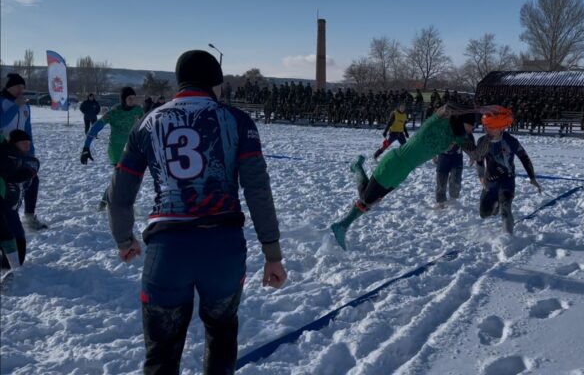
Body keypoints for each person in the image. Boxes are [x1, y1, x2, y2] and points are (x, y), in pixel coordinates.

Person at [107, 50, 287, 373]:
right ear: (214, 84)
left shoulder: (146, 123)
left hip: (167, 251)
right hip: (223, 250)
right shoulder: (237, 120)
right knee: (221, 342)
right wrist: (272, 252)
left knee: (161, 358)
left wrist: (124, 238)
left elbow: (119, 194)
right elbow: (257, 189)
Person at [331, 103, 478, 250]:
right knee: (366, 200)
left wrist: (484, 142)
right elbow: (448, 107)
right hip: (395, 162)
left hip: (403, 171)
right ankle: (341, 226)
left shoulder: (457, 137)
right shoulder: (436, 122)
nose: (473, 128)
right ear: (462, 121)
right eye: (472, 124)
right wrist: (475, 109)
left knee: (370, 199)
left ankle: (357, 169)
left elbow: (476, 151)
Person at [475, 108, 541, 238]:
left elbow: (524, 158)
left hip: (507, 180)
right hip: (490, 180)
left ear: (500, 128)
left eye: (490, 127)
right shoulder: (482, 141)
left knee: (506, 208)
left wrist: (532, 178)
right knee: (484, 213)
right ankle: (495, 205)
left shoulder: (511, 141)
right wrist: (481, 176)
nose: (486, 129)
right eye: (485, 127)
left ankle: (508, 237)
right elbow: (479, 160)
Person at [80, 87, 144, 210]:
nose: (133, 100)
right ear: (123, 99)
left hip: (132, 149)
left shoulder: (139, 110)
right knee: (121, 179)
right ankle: (105, 203)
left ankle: (109, 202)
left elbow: (147, 125)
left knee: (129, 179)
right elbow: (96, 127)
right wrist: (86, 146)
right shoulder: (114, 112)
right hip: (116, 150)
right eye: (129, 98)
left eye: (134, 98)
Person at [0, 73, 47, 230]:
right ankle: (7, 218)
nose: (21, 90)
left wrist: (30, 150)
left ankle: (29, 217)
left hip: (22, 151)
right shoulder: (3, 102)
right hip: (4, 150)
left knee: (32, 179)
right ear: (9, 87)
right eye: (17, 86)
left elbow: (28, 129)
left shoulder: (25, 105)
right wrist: (15, 107)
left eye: (23, 87)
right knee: (8, 184)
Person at [0, 130, 39, 271]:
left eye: (29, 143)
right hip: (3, 204)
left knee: (17, 240)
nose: (27, 146)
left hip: (12, 208)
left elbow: (34, 166)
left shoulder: (25, 160)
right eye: (24, 144)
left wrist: (29, 172)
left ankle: (10, 267)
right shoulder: (5, 151)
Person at [433, 137, 472, 209]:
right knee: (441, 179)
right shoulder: (441, 128)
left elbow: (467, 140)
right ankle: (440, 202)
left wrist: (471, 155)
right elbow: (435, 139)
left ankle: (453, 200)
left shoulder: (460, 127)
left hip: (457, 155)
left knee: (456, 178)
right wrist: (434, 154)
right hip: (443, 155)